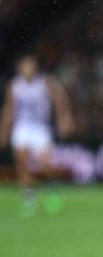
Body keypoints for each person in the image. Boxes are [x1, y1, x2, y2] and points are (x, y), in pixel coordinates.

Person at [0, 55, 74, 216]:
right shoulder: (15, 85)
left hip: (40, 127)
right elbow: (9, 109)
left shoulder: (45, 82)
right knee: (21, 161)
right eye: (25, 66)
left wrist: (64, 119)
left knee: (45, 164)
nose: (28, 69)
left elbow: (59, 100)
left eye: (30, 66)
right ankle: (28, 196)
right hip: (22, 126)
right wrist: (4, 131)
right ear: (20, 68)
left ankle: (51, 189)